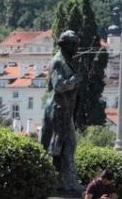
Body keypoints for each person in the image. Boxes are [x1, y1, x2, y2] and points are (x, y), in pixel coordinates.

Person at [42, 31, 84, 192]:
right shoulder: (58, 61)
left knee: (63, 146)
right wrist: (74, 80)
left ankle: (61, 180)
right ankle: (66, 181)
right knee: (64, 145)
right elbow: (58, 86)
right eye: (73, 45)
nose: (76, 48)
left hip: (65, 110)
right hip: (58, 109)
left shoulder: (67, 60)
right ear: (64, 45)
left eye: (77, 45)